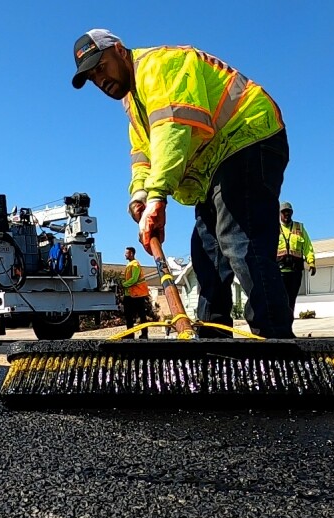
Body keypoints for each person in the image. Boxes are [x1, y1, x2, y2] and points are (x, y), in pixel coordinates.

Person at [71, 29, 295, 338]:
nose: (100, 79)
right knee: (206, 254)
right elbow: (142, 158)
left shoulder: (158, 66)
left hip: (247, 136)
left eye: (101, 66)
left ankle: (276, 343)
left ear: (120, 51)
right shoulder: (135, 106)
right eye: (92, 77)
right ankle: (211, 342)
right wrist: (140, 197)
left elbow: (172, 129)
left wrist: (157, 197)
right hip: (214, 167)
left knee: (241, 241)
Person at [277, 201, 315, 319]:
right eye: (284, 212)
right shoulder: (274, 228)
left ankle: (288, 327)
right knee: (280, 301)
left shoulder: (299, 228)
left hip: (295, 272)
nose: (286, 214)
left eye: (289, 212)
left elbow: (308, 247)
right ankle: (280, 327)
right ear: (280, 214)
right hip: (279, 272)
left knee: (291, 301)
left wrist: (311, 263)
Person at [120, 246, 154, 337]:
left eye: (126, 253)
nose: (125, 255)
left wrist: (124, 284)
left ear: (131, 254)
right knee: (132, 316)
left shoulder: (135, 264)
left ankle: (140, 334)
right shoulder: (131, 264)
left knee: (138, 316)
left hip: (136, 294)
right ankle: (134, 334)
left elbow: (134, 279)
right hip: (132, 294)